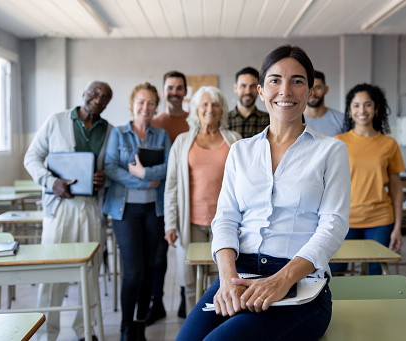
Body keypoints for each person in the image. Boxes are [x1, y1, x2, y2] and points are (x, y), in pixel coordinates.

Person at [176, 45, 351, 341]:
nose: (286, 90)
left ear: (310, 92)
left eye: (297, 81)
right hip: (238, 272)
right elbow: (226, 219)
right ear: (260, 91)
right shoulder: (240, 151)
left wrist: (281, 280)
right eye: (275, 80)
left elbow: (333, 224)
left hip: (300, 282)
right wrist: (227, 280)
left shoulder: (331, 150)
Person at [24, 81, 114, 341]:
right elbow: (31, 158)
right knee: (52, 271)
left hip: (90, 207)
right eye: (93, 93)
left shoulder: (108, 130)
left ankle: (84, 330)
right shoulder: (57, 121)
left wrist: (103, 178)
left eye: (104, 97)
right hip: (60, 205)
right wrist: (52, 182)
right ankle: (46, 334)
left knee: (90, 270)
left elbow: (110, 169)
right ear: (83, 94)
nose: (97, 99)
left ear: (107, 104)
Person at [164, 86, 241, 317]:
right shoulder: (182, 142)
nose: (210, 109)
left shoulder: (234, 140)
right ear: (196, 109)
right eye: (204, 104)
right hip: (191, 222)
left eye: (215, 104)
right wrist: (170, 223)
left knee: (226, 280)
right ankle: (194, 326)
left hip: (227, 224)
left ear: (222, 110)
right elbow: (171, 186)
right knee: (190, 281)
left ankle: (220, 328)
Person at [102, 82, 171, 341]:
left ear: (156, 107)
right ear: (132, 105)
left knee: (150, 269)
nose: (145, 107)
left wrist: (145, 172)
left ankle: (140, 326)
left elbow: (168, 167)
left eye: (151, 103)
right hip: (125, 211)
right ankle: (126, 328)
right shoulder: (118, 134)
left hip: (154, 210)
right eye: (141, 102)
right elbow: (110, 167)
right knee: (133, 272)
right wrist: (143, 180)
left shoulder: (161, 135)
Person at [332, 83, 404, 276]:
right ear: (349, 110)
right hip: (344, 219)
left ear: (376, 108)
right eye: (356, 105)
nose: (361, 110)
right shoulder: (338, 142)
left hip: (380, 218)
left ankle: (379, 308)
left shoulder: (389, 144)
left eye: (367, 105)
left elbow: (396, 188)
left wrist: (398, 226)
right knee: (335, 273)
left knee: (377, 273)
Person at [147, 71, 190, 324]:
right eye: (170, 88)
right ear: (164, 91)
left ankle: (187, 298)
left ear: (185, 91)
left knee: (185, 252)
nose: (174, 92)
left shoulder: (193, 121)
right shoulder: (156, 124)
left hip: (186, 199)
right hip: (159, 199)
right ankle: (157, 302)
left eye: (179, 88)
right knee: (158, 255)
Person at [227, 66, 269, 138]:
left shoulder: (268, 120)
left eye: (252, 86)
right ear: (235, 88)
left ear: (259, 89)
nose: (248, 91)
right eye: (243, 86)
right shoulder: (224, 120)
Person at [304, 70, 345, 136]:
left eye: (317, 88)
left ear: (326, 89)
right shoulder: (293, 120)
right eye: (309, 88)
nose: (313, 93)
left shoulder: (342, 119)